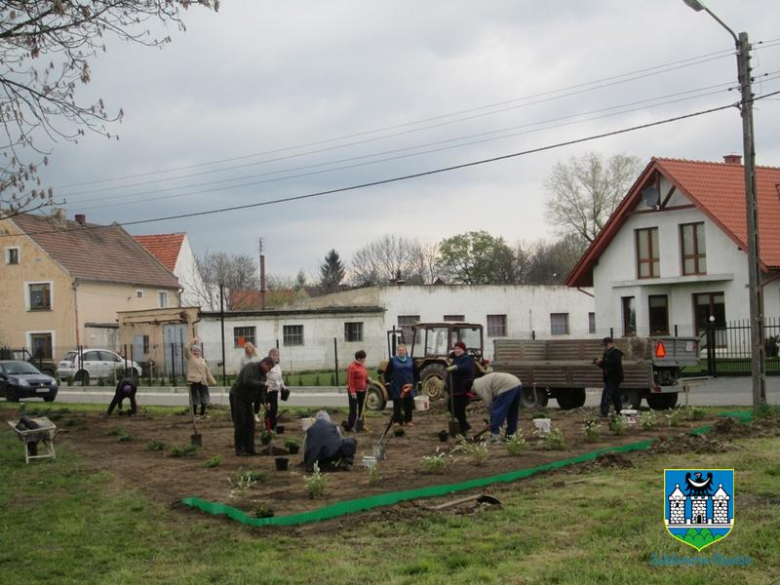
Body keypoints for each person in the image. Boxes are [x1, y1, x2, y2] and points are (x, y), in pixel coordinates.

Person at [230, 356, 275, 456]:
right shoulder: (251, 367)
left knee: (250, 423)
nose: (269, 370)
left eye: (271, 369)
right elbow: (248, 381)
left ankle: (250, 448)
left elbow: (261, 392)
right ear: (264, 363)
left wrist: (264, 402)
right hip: (238, 395)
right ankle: (239, 449)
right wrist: (263, 384)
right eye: (269, 367)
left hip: (248, 400)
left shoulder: (263, 376)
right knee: (240, 423)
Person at [471, 372, 522, 443]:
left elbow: (489, 404)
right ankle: (511, 435)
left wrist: (492, 421)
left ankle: (494, 437)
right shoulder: (482, 380)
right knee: (512, 412)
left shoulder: (478, 386)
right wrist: (492, 420)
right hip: (517, 383)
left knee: (497, 411)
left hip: (507, 386)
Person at [383, 344, 418, 427]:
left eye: (403, 350)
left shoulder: (411, 360)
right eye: (400, 350)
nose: (401, 352)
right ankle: (397, 421)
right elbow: (387, 372)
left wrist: (419, 381)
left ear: (405, 351)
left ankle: (408, 420)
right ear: (397, 352)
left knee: (408, 403)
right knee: (397, 403)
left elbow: (416, 371)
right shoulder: (393, 361)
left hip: (408, 384)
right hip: (397, 385)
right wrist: (387, 383)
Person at [446, 340, 475, 435]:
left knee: (459, 410)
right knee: (451, 407)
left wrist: (456, 367)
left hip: (462, 390)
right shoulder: (456, 359)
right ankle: (464, 426)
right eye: (455, 348)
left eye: (459, 348)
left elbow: (466, 368)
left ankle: (463, 430)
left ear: (463, 350)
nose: (457, 350)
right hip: (454, 390)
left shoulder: (466, 359)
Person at [595, 336, 624, 417]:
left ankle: (604, 412)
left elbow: (614, 363)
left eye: (606, 345)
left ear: (612, 344)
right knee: (615, 395)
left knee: (607, 394)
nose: (605, 347)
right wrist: (599, 363)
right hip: (608, 377)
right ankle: (620, 411)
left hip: (614, 377)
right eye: (604, 345)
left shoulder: (616, 352)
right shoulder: (607, 353)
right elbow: (605, 365)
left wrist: (603, 362)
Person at [346, 350, 369, 431]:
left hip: (363, 391)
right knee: (353, 409)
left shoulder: (362, 366)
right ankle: (351, 426)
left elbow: (365, 375)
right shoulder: (352, 367)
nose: (364, 360)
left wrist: (367, 379)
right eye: (363, 358)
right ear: (359, 358)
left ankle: (360, 425)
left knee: (362, 408)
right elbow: (350, 381)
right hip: (354, 391)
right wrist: (352, 392)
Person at [265, 347, 286, 431]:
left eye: (276, 355)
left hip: (275, 391)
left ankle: (273, 426)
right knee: (270, 409)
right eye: (273, 355)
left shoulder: (277, 365)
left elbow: (279, 378)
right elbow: (265, 377)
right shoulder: (267, 365)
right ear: (269, 356)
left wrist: (283, 386)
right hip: (268, 390)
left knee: (275, 409)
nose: (275, 356)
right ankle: (268, 427)